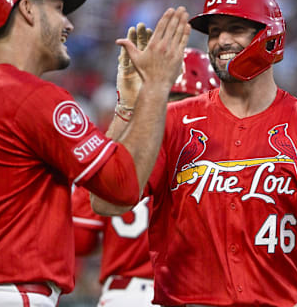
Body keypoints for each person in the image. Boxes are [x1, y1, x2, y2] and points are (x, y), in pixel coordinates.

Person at [91, 0, 297, 307]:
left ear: (270, 35)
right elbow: (107, 202)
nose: (222, 41)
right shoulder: (172, 122)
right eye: (214, 31)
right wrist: (128, 109)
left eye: (236, 28)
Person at [0, 0, 190, 307]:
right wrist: (156, 86)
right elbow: (121, 189)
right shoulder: (33, 96)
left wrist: (126, 109)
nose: (69, 25)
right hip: (10, 294)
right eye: (60, 9)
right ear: (28, 10)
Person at [72, 45, 220, 307]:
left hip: (123, 294)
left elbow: (80, 239)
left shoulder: (120, 153)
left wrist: (123, 247)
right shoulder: (220, 161)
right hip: (186, 294)